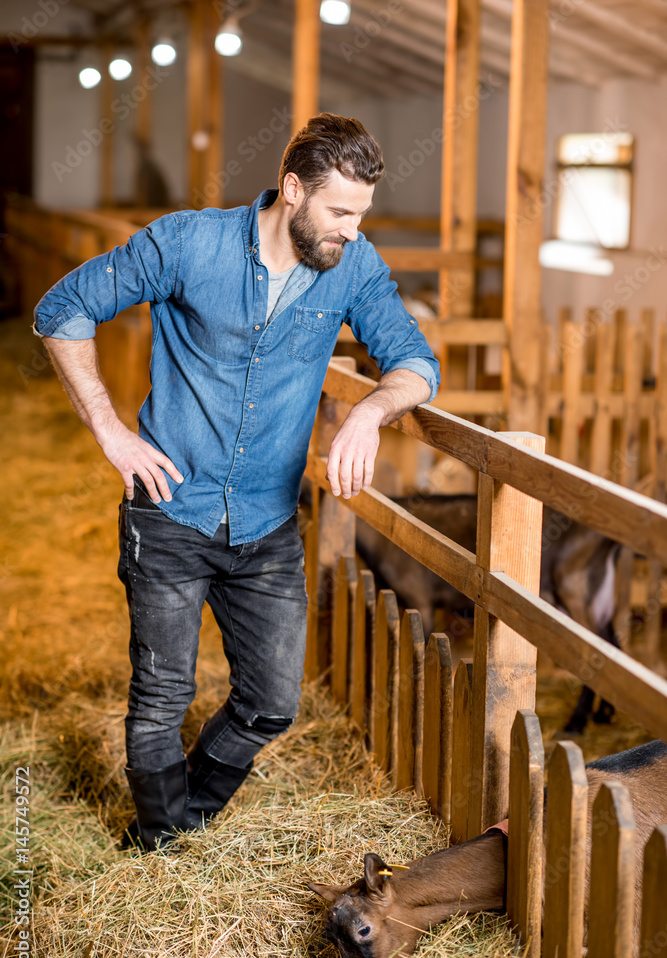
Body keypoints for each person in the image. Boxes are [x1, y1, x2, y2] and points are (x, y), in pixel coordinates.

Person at [33, 113, 440, 850]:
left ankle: (186, 813)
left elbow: (416, 362)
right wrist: (111, 431)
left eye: (360, 215)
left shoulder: (353, 265)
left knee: (272, 702)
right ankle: (160, 846)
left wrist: (371, 412)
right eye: (339, 211)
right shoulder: (189, 242)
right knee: (162, 697)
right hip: (168, 508)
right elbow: (62, 310)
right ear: (292, 190)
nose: (351, 229)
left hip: (266, 525)